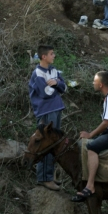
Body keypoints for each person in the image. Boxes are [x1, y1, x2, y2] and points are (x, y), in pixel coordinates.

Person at [72, 70, 108, 201]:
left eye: (95, 81)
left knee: (92, 147)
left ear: (101, 85)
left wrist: (90, 134)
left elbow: (106, 123)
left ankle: (90, 186)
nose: (93, 83)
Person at [29, 44, 67, 191]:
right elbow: (45, 93)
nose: (54, 56)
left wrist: (57, 83)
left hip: (56, 108)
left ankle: (49, 175)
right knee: (44, 142)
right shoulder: (37, 73)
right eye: (51, 54)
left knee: (53, 143)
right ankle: (43, 177)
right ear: (44, 56)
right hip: (45, 110)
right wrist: (56, 87)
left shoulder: (54, 71)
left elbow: (64, 88)